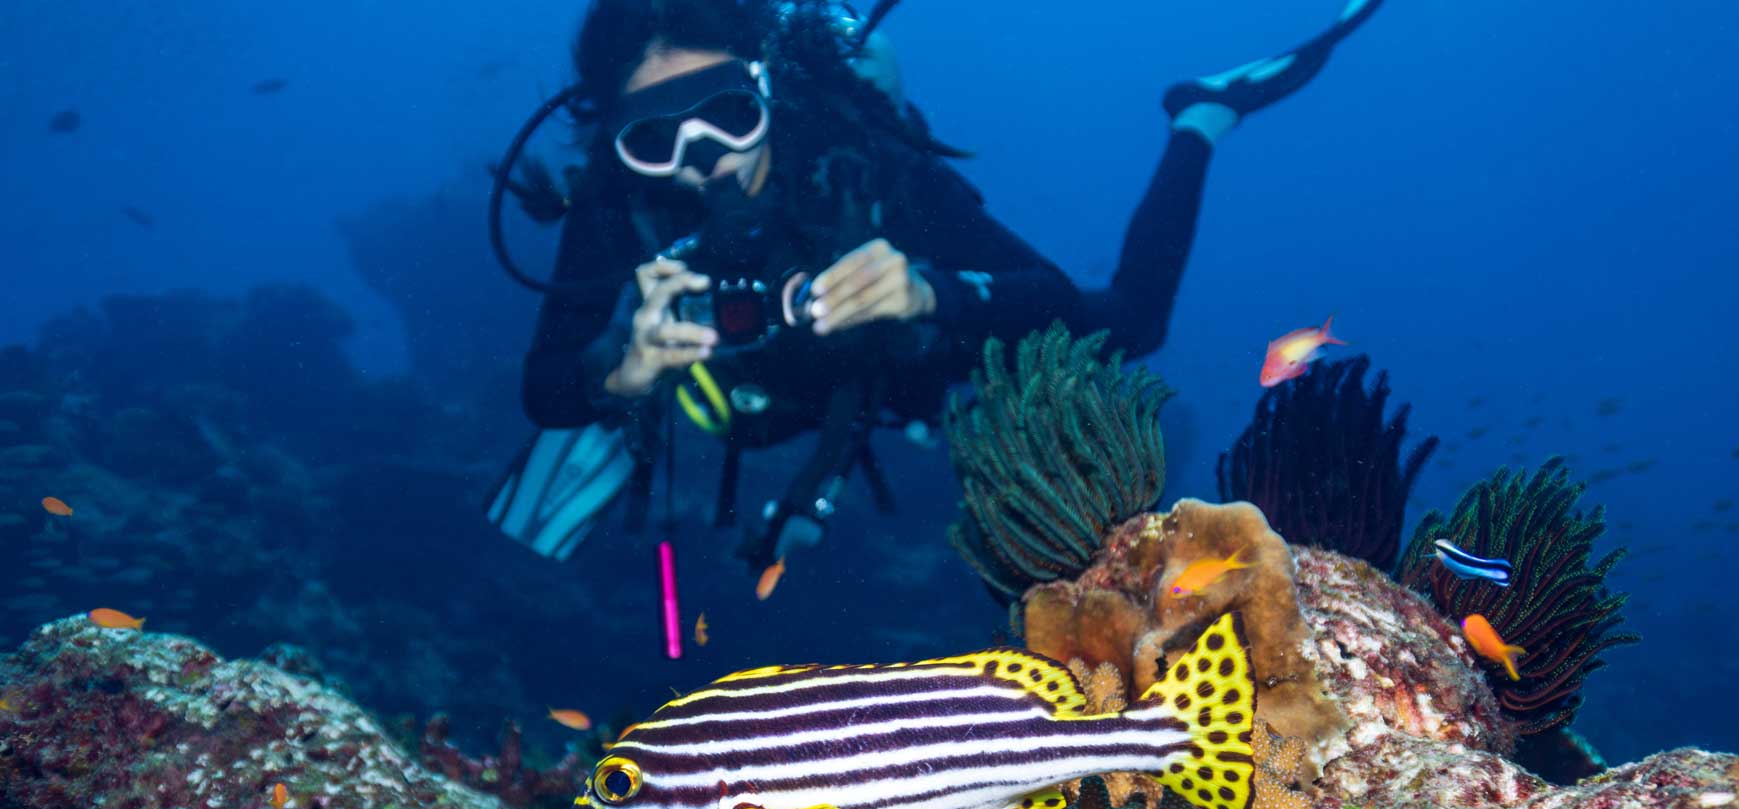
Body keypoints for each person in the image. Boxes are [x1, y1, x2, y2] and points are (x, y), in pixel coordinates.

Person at [490, 0, 1385, 569]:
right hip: (736, 404)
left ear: (764, 85)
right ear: (618, 142)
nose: (701, 162)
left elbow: (1053, 296)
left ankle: (1200, 116)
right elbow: (544, 387)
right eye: (655, 138)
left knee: (1131, 325)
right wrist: (618, 367)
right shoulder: (613, 203)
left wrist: (932, 292)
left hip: (897, 368)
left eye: (728, 114)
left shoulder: (861, 157)